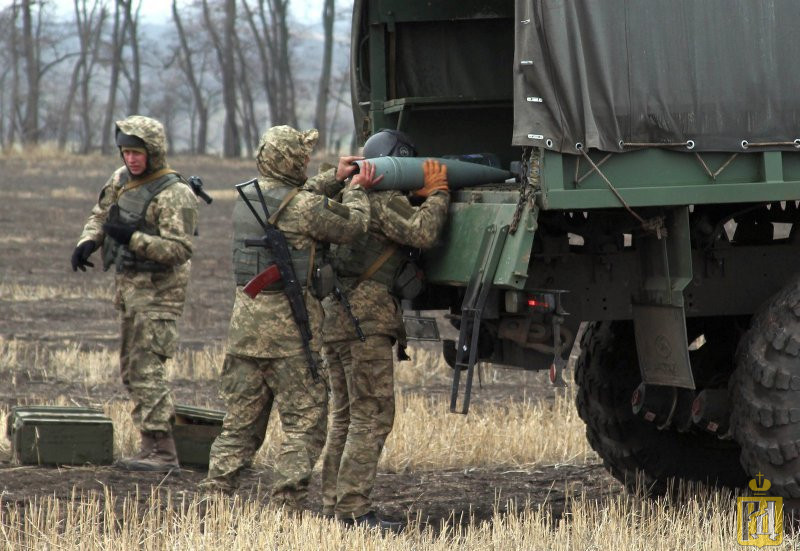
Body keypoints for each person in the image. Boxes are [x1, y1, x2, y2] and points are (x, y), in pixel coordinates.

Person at [199, 125, 377, 513]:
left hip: (244, 332)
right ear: (292, 161)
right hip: (290, 340)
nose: (308, 161)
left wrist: (333, 175)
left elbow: (294, 197)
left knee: (239, 427)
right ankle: (287, 507)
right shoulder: (306, 209)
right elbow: (353, 225)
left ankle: (214, 501)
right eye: (304, 157)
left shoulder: (248, 198)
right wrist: (358, 187)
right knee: (304, 427)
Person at [320, 129, 450, 528]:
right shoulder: (383, 202)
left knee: (344, 415)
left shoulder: (346, 197)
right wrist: (438, 192)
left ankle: (334, 504)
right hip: (367, 322)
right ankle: (354, 510)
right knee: (372, 415)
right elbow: (425, 233)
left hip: (335, 319)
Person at [71, 115, 198, 472]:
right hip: (129, 291)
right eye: (126, 152)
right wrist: (88, 242)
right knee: (132, 370)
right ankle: (152, 445)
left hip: (159, 295)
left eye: (138, 153)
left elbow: (179, 249)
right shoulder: (120, 180)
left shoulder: (175, 194)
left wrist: (133, 238)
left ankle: (161, 451)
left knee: (147, 370)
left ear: (153, 152)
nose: (131, 159)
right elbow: (101, 215)